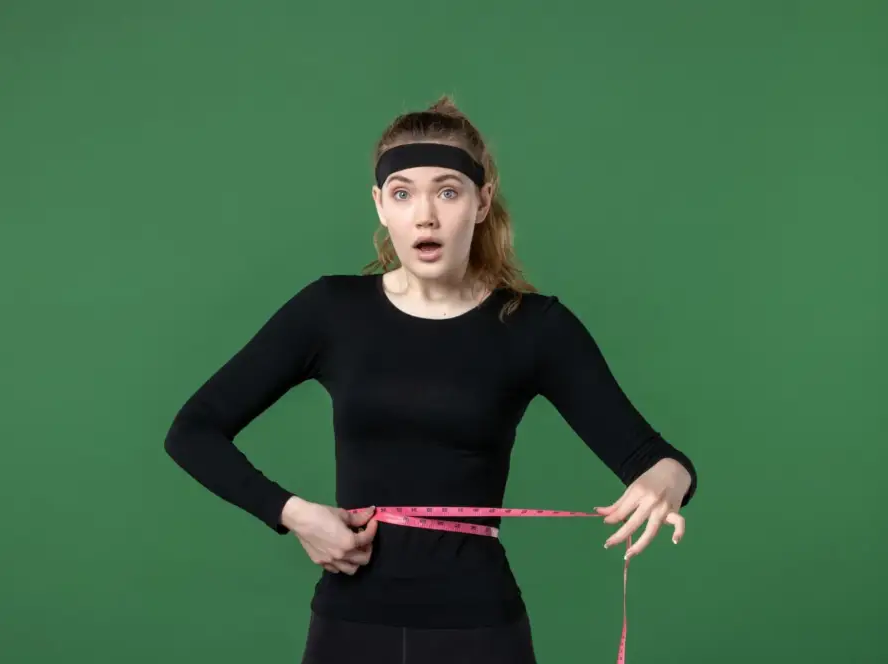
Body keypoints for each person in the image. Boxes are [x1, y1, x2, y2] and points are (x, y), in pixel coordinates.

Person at [164, 95, 698, 664]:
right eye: (402, 193)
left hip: (480, 630)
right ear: (379, 205)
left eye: (448, 191)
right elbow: (192, 431)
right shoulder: (329, 311)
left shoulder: (534, 327)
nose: (425, 215)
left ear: (482, 200)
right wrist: (293, 514)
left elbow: (659, 460)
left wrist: (665, 482)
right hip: (349, 627)